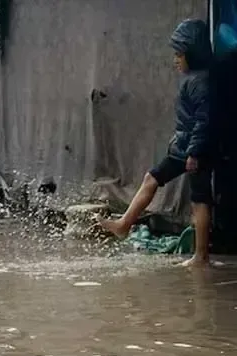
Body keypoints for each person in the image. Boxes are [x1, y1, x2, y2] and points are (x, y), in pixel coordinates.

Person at [100, 18, 214, 267]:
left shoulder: (200, 82)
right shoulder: (194, 78)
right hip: (185, 147)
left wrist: (194, 152)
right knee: (153, 179)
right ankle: (124, 224)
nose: (175, 60)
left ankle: (201, 256)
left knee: (199, 199)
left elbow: (203, 122)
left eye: (179, 55)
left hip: (193, 150)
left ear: (192, 55)